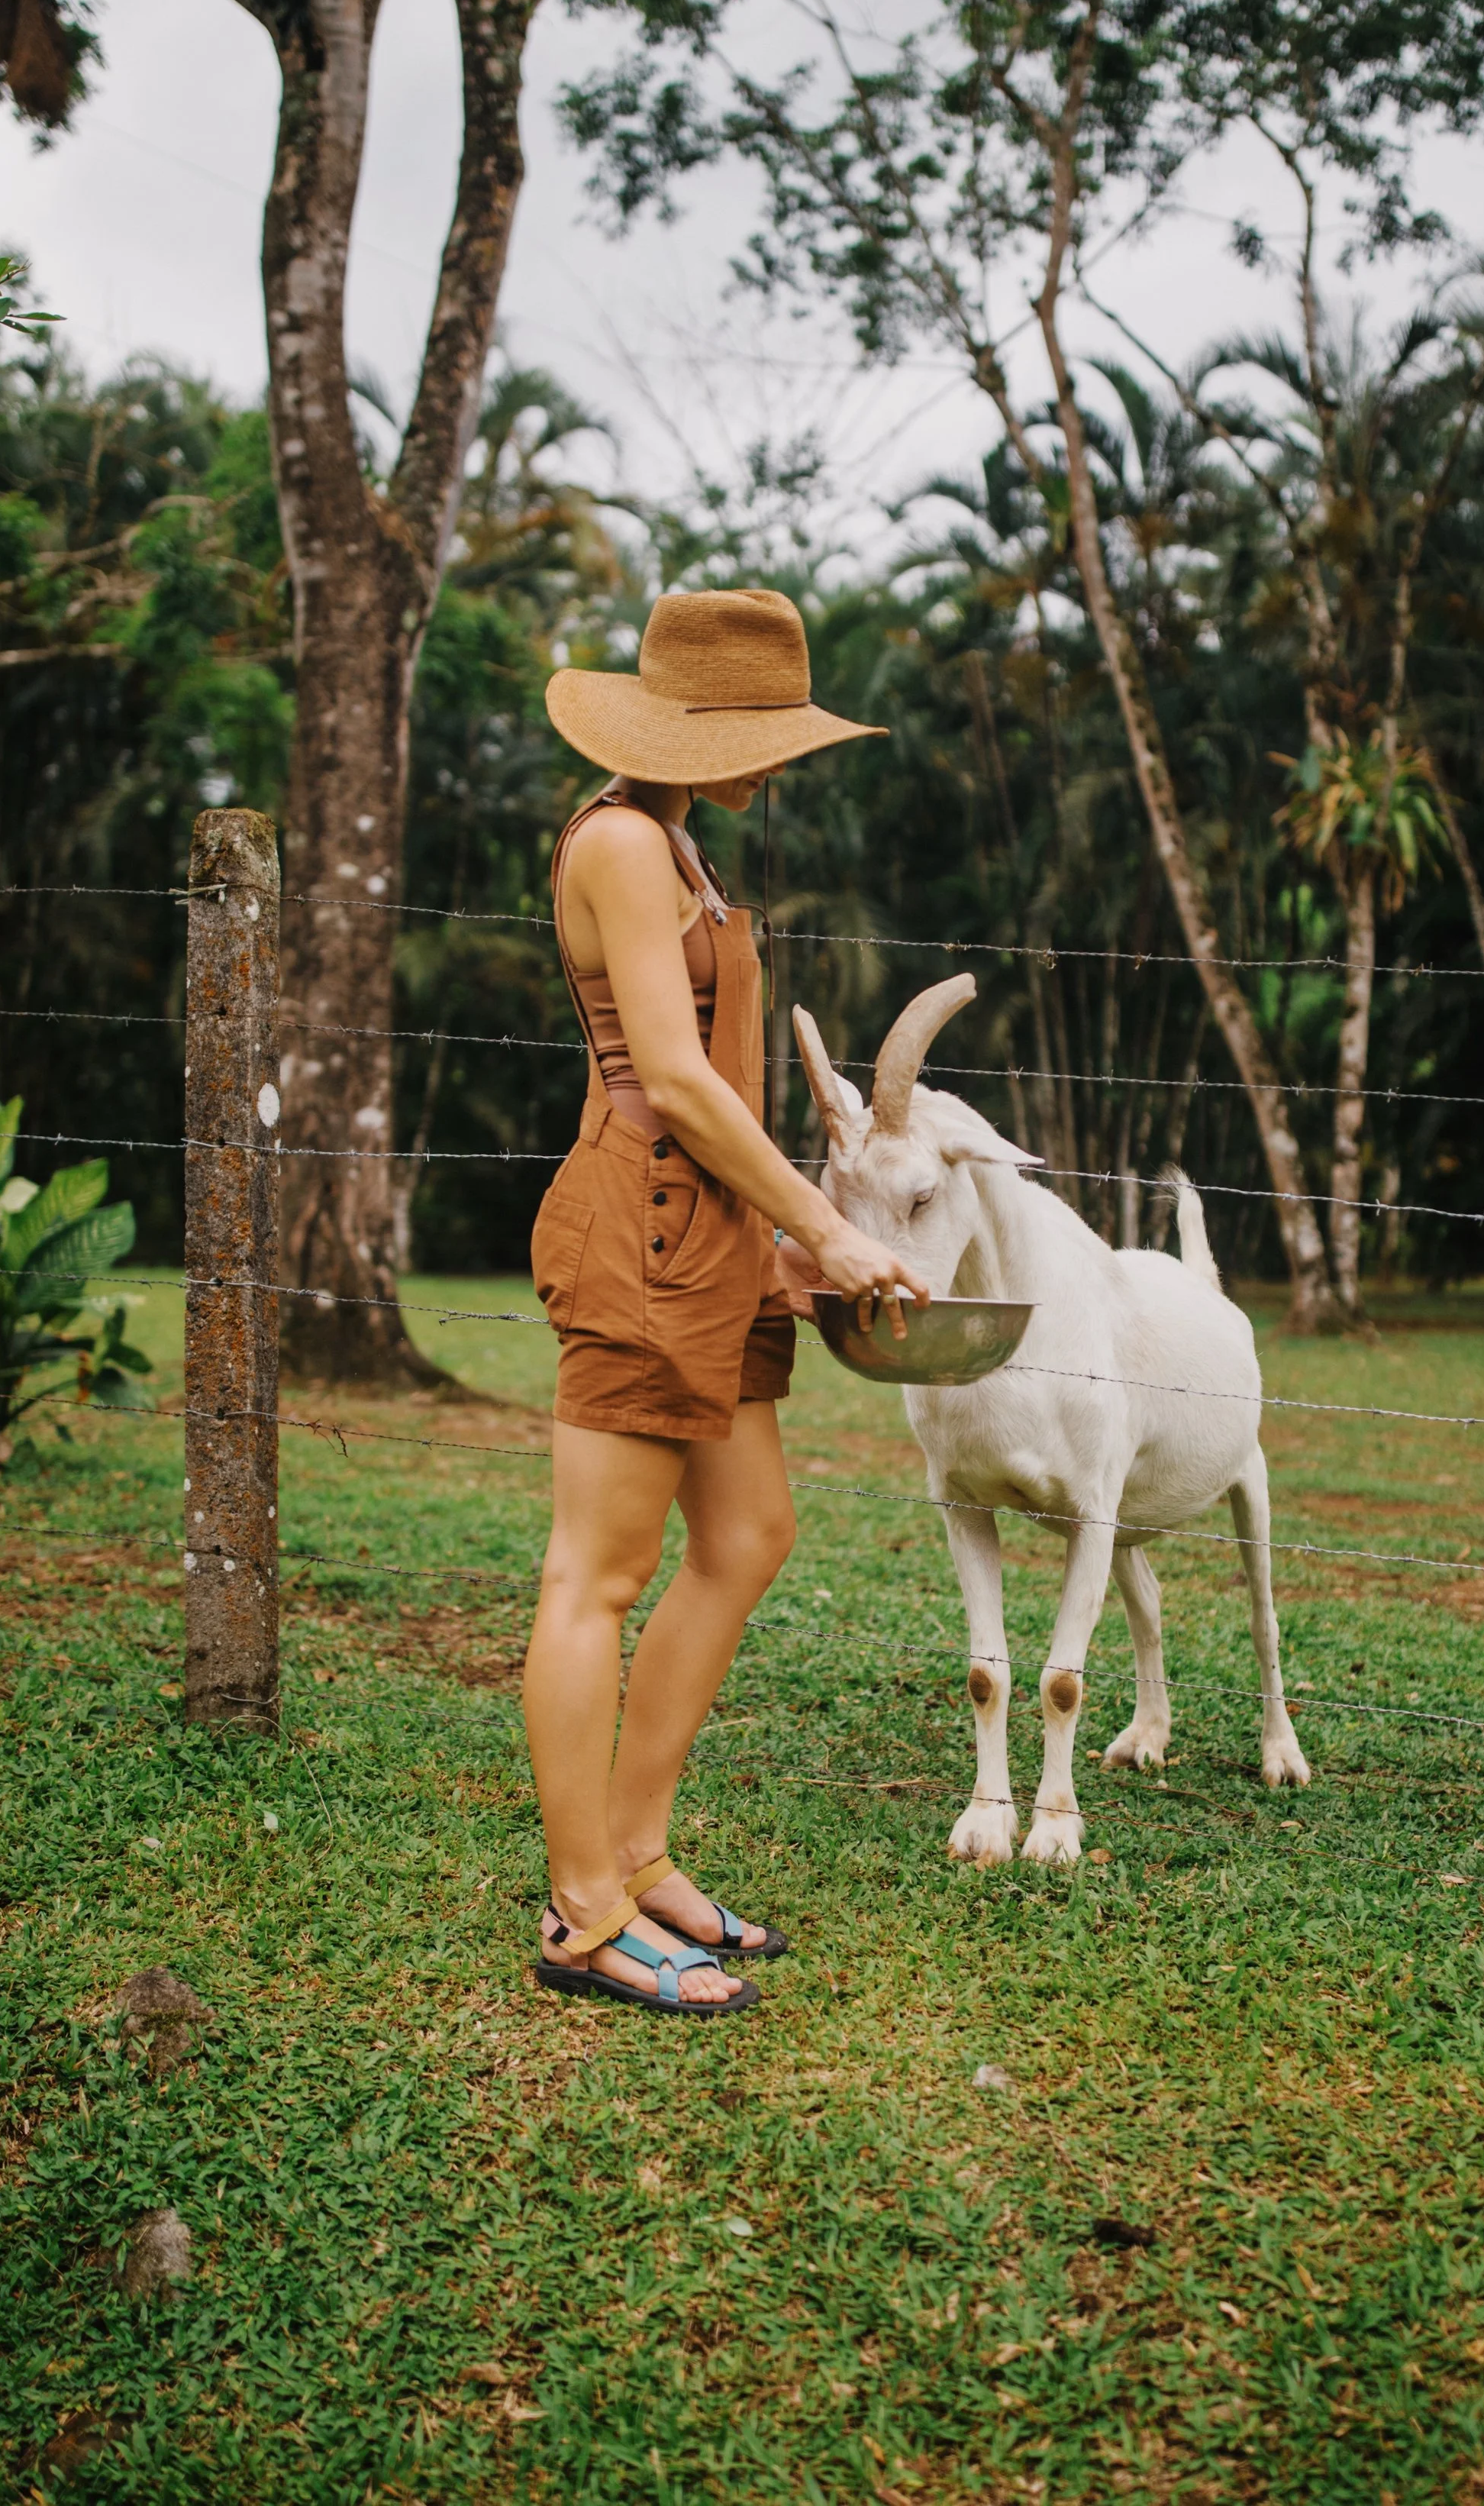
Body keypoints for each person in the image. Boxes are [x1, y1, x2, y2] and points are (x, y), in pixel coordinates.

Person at [526, 586, 929, 2016]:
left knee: (750, 1533)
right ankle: (584, 1912)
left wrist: (779, 1244)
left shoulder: (681, 845)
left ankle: (638, 1851)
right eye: (762, 734)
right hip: (636, 1226)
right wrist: (822, 1217)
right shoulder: (624, 842)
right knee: (601, 1574)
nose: (777, 763)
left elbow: (726, 1079)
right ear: (696, 726)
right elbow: (679, 1079)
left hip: (714, 1234)